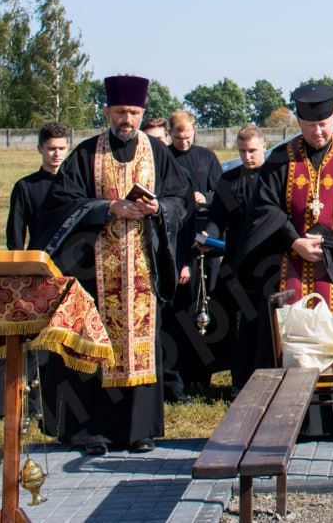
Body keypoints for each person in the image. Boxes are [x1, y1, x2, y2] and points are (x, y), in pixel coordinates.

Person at [34, 75, 193, 456]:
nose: (128, 119)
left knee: (140, 348)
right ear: (107, 112)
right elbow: (60, 204)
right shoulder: (87, 153)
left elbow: (181, 198)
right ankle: (92, 430)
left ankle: (139, 429)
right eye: (121, 112)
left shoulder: (157, 152)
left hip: (142, 268)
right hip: (93, 272)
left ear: (142, 113)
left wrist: (160, 209)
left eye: (135, 112)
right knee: (94, 346)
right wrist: (107, 208)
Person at [237, 83, 333, 437]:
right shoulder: (281, 159)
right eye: (311, 125)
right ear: (298, 121)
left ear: (331, 118)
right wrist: (293, 241)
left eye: (325, 123)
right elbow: (264, 208)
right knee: (287, 342)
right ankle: (288, 424)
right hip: (289, 265)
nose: (319, 131)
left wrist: (329, 244)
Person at [0, 122, 71, 420]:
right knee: (25, 334)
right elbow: (15, 234)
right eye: (50, 149)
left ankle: (59, 401)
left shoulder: (75, 185)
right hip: (36, 268)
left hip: (71, 267)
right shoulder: (26, 186)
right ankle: (4, 402)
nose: (56, 154)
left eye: (61, 148)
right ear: (40, 149)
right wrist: (20, 270)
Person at [201, 124, 267, 397]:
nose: (247, 156)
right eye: (242, 151)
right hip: (237, 263)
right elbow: (218, 218)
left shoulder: (274, 177)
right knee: (238, 324)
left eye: (252, 150)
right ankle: (240, 384)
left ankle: (269, 379)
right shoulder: (228, 181)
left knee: (268, 323)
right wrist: (208, 235)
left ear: (264, 147)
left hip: (269, 260)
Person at [164, 110, 223, 397]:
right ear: (169, 134)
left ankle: (204, 373)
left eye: (187, 136)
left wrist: (206, 198)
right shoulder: (163, 157)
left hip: (206, 239)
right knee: (181, 309)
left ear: (195, 132)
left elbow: (221, 193)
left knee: (207, 303)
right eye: (178, 137)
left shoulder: (207, 157)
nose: (183, 141)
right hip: (175, 239)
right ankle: (179, 372)